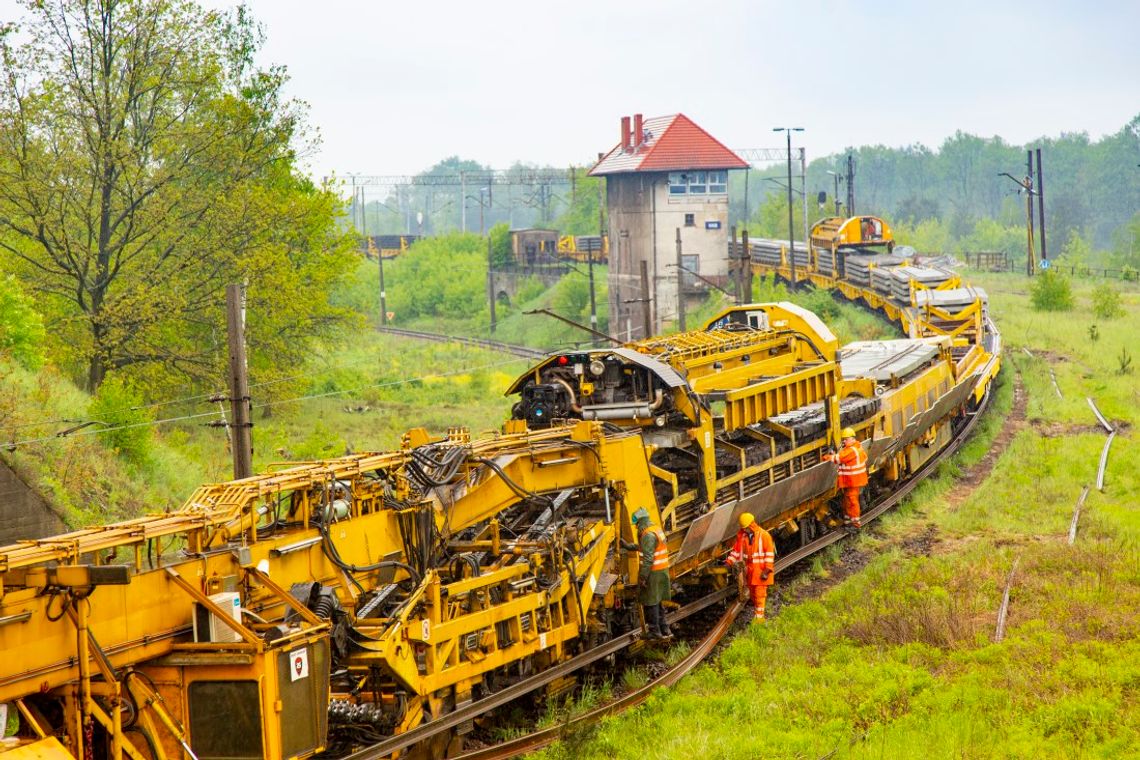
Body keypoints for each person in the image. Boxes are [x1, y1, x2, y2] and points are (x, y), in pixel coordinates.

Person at [624, 507, 672, 639]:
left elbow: (648, 558)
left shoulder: (647, 535)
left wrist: (642, 577)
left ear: (641, 522)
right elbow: (647, 547)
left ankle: (654, 631)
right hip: (662, 571)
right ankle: (665, 629)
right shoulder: (655, 530)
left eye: (637, 524)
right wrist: (629, 546)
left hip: (653, 573)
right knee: (658, 602)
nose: (636, 527)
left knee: (651, 602)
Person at [725, 512, 775, 623]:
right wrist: (729, 563)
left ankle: (759, 619)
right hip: (750, 571)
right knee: (753, 594)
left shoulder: (764, 535)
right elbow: (737, 552)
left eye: (746, 528)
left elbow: (769, 555)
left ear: (752, 524)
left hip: (761, 571)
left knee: (760, 594)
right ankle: (758, 615)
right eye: (744, 528)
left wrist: (767, 571)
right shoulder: (743, 537)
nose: (745, 530)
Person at [824, 426, 868, 528]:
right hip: (852, 481)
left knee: (852, 501)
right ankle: (848, 521)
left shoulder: (851, 450)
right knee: (848, 501)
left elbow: (839, 458)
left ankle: (855, 523)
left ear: (852, 439)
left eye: (846, 439)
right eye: (843, 439)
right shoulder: (857, 447)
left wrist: (827, 457)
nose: (844, 441)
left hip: (853, 481)